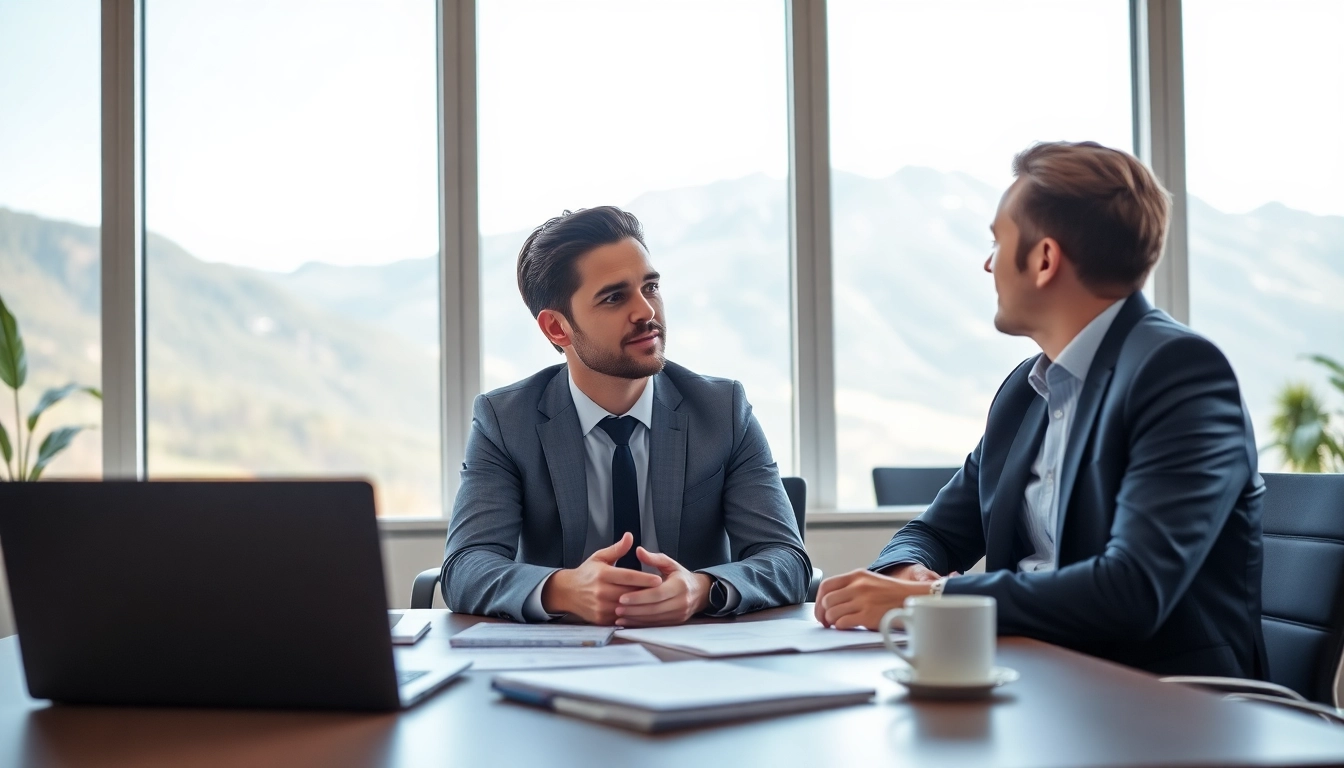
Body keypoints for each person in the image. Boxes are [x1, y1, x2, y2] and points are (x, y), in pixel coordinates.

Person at [816, 141, 1266, 678]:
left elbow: (1132, 589)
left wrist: (935, 597)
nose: (987, 264)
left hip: (1166, 704)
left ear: (1044, 259)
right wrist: (910, 573)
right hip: (1041, 682)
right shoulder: (1025, 392)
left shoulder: (1180, 373)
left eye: (997, 242)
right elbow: (935, 532)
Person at [441, 206, 810, 625]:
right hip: (562, 657)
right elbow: (465, 568)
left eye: (650, 287)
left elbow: (787, 560)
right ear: (557, 329)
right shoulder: (505, 421)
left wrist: (701, 588)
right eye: (615, 297)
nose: (646, 312)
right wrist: (564, 589)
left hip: (696, 652)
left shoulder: (722, 410)